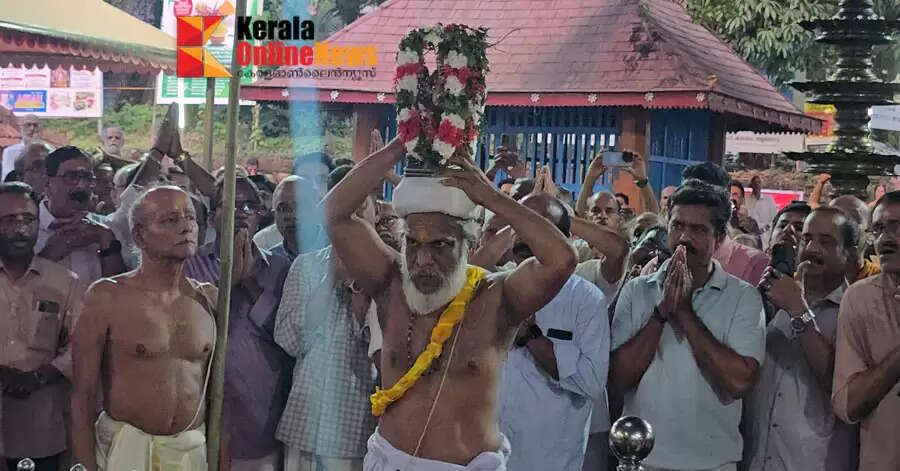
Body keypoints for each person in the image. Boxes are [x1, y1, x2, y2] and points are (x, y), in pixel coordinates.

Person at [324, 139, 577, 470]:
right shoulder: (390, 284)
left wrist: (491, 197)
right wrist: (405, 143)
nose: (423, 259)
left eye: (441, 244)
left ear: (467, 245)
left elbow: (562, 259)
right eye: (412, 243)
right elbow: (333, 214)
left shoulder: (496, 297)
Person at [609, 179, 765, 471]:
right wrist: (660, 315)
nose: (684, 238)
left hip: (712, 464)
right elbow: (618, 378)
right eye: (677, 226)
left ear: (719, 239)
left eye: (697, 230)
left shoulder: (743, 298)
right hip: (640, 461)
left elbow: (739, 382)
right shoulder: (638, 290)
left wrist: (684, 313)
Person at [70, 186, 215, 471]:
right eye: (170, 220)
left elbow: (219, 397)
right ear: (139, 236)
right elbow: (81, 396)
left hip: (190, 452)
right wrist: (86, 465)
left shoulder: (209, 299)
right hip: (125, 452)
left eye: (190, 218)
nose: (186, 227)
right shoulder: (107, 296)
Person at [183, 175, 292, 471]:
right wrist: (227, 283)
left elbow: (286, 336)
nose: (239, 213)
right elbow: (185, 325)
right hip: (199, 409)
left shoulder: (281, 268)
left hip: (262, 409)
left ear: (260, 215)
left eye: (248, 206)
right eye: (228, 206)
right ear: (213, 216)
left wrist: (251, 285)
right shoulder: (188, 264)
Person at [495, 193, 609, 471]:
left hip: (551, 460)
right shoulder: (491, 287)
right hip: (489, 458)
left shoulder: (586, 300)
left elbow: (591, 382)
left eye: (539, 228)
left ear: (564, 241)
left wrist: (532, 336)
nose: (525, 238)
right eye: (520, 226)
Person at [274, 175, 379, 471]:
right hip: (305, 425)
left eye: (359, 210)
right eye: (343, 211)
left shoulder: (392, 272)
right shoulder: (306, 266)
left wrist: (359, 285)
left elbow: (388, 354)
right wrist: (331, 275)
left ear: (377, 213)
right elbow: (289, 341)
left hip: (358, 430)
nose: (351, 221)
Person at [745, 207, 861, 471]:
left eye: (826, 242)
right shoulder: (780, 299)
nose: (811, 248)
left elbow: (843, 390)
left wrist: (799, 311)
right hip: (758, 460)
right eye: (807, 238)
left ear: (851, 255)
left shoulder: (855, 311)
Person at [0, 182, 83, 471]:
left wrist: (43, 375)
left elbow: (81, 344)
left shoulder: (64, 282)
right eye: (9, 220)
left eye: (28, 220)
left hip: (40, 427)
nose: (21, 229)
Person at [832, 190, 900, 471]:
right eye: (879, 229)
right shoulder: (859, 298)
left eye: (898, 227)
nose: (885, 239)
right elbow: (848, 406)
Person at [35, 146, 125, 283]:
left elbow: (122, 293)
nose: (82, 185)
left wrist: (106, 241)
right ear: (47, 183)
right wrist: (48, 256)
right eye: (71, 177)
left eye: (88, 178)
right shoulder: (28, 228)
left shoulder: (108, 228)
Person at [829, 195, 880, 282]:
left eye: (853, 218)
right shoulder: (804, 280)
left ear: (870, 235)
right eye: (835, 219)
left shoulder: (886, 282)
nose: (844, 225)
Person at [1, 115, 39, 181]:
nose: (32, 128)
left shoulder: (46, 152)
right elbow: (7, 178)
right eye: (28, 125)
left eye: (35, 125)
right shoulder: (10, 152)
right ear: (20, 127)